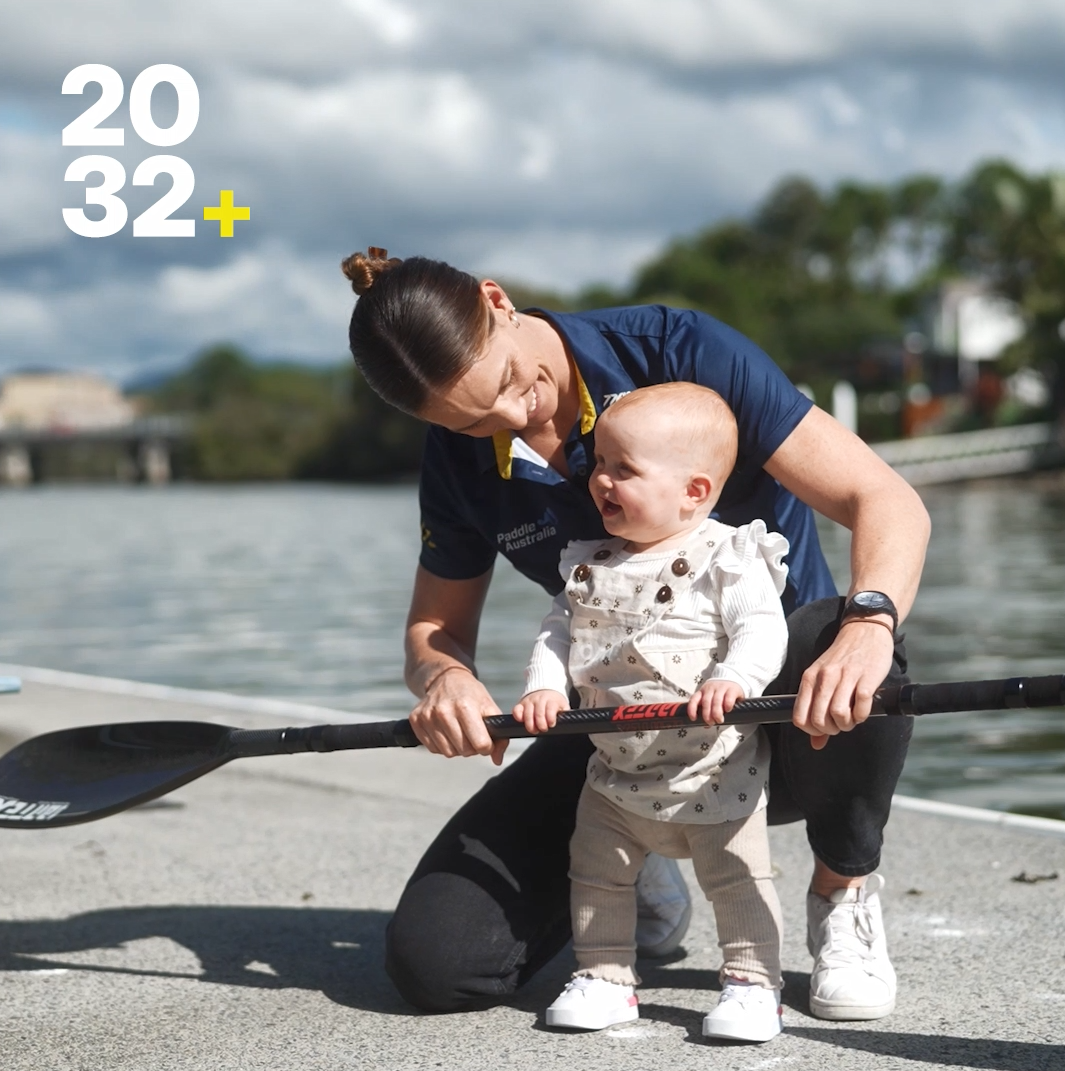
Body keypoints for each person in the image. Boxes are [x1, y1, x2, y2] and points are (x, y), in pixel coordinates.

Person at [340, 247, 931, 1021]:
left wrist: (869, 621)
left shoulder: (679, 351)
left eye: (512, 385)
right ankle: (634, 853)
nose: (516, 419)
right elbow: (435, 630)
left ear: (497, 299)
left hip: (780, 715)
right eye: (472, 419)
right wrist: (442, 678)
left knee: (848, 639)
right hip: (617, 732)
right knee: (436, 964)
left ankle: (842, 892)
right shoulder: (455, 455)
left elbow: (882, 497)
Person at [513, 382, 790, 1040]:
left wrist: (734, 676)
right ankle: (603, 973)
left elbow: (762, 628)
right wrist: (543, 687)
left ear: (693, 492)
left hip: (712, 767)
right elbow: (556, 634)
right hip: (615, 769)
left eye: (622, 468)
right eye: (599, 462)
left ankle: (753, 983)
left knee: (738, 877)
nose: (599, 480)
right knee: (596, 869)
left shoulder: (728, 555)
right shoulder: (588, 564)